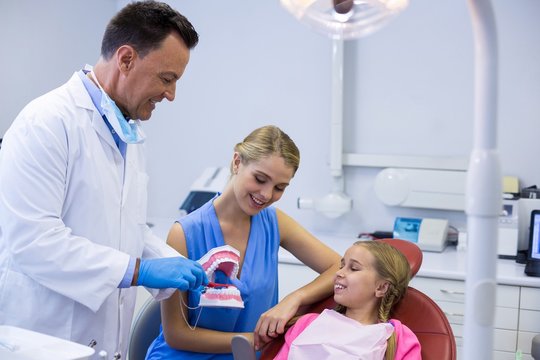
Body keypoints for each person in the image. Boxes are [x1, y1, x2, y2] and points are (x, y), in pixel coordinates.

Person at [0, 2, 208, 358]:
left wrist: (175, 263)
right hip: (46, 338)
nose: (171, 95)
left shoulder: (128, 134)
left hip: (102, 342)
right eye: (167, 78)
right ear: (126, 59)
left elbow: (125, 227)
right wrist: (139, 271)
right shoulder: (46, 122)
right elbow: (33, 241)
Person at [145, 125, 342, 359]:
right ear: (237, 162)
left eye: (279, 187)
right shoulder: (184, 234)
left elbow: (340, 268)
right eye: (260, 179)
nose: (267, 195)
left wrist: (294, 299)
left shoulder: (275, 223)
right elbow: (176, 334)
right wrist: (254, 340)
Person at [272, 240, 421, 359]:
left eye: (354, 268)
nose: (339, 273)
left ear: (381, 288)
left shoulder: (395, 338)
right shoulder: (307, 324)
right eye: (342, 266)